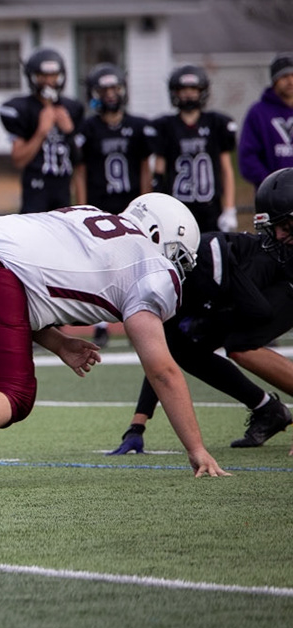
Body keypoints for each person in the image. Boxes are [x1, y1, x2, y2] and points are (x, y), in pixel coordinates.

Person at [0, 194, 229, 490]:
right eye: (179, 257)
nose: (176, 267)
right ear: (159, 236)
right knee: (15, 392)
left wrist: (59, 343)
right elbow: (162, 371)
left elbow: (26, 282)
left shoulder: (88, 216)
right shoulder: (150, 266)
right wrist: (197, 448)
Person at [110, 167, 293, 454]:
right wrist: (138, 424)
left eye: (286, 227)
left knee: (239, 345)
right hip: (248, 293)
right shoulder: (175, 279)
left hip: (272, 286)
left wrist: (212, 322)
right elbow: (161, 354)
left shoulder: (208, 261)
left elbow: (258, 311)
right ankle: (268, 410)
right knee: (184, 348)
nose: (280, 236)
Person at [73, 62, 152, 347]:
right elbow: (79, 172)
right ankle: (101, 324)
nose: (109, 94)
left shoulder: (138, 127)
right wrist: (82, 208)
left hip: (129, 204)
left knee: (136, 265)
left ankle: (141, 320)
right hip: (100, 205)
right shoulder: (87, 129)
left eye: (114, 88)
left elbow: (145, 167)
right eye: (104, 89)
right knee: (102, 266)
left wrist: (144, 204)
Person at [150, 64, 239, 235]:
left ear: (202, 91)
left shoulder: (216, 123)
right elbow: (159, 173)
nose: (188, 93)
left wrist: (229, 209)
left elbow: (226, 170)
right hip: (178, 207)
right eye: (183, 89)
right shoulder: (166, 126)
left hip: (210, 207)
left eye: (193, 88)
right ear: (175, 92)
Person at [0, 47, 82, 214]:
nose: (49, 81)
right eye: (43, 76)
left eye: (54, 75)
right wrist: (41, 132)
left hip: (63, 187)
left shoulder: (72, 108)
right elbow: (18, 160)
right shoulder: (22, 108)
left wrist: (70, 132)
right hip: (36, 187)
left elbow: (79, 162)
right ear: (32, 77)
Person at [237, 54, 293, 189]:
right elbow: (248, 157)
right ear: (274, 80)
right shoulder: (258, 113)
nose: (290, 81)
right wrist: (272, 184)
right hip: (273, 198)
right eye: (284, 77)